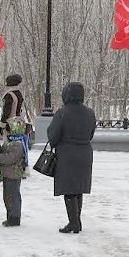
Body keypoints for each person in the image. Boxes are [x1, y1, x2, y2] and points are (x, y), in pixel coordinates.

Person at [47, 82, 96, 234]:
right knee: (78, 188)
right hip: (85, 153)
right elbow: (91, 134)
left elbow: (53, 136)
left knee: (69, 189)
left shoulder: (62, 113)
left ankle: (73, 222)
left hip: (67, 154)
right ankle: (76, 220)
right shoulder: (90, 113)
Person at [0, 116, 29, 227]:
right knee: (7, 196)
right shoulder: (11, 141)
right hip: (8, 173)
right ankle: (10, 215)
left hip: (13, 174)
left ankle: (14, 217)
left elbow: (9, 158)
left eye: (7, 128)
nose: (5, 131)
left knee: (12, 196)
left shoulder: (17, 144)